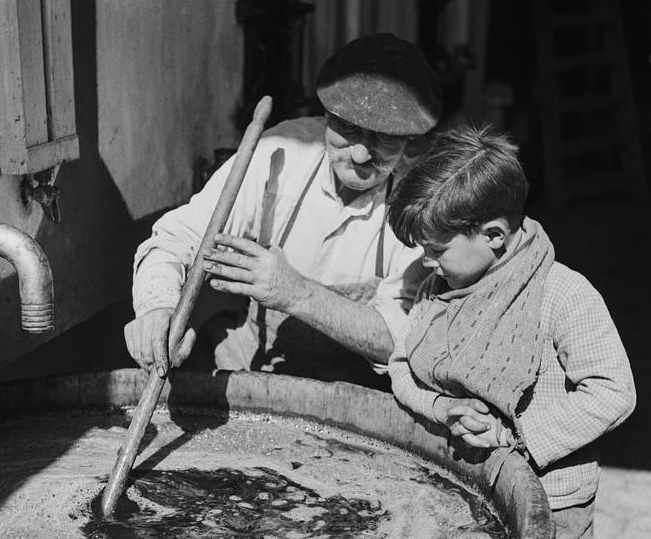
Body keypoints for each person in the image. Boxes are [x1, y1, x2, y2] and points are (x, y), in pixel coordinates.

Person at [386, 122, 651, 539]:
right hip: (474, 482)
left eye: (437, 250)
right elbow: (403, 365)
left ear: (494, 234)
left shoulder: (563, 295)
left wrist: (519, 439)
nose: (426, 263)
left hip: (550, 491)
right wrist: (445, 406)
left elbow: (614, 391)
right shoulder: (434, 285)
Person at [125, 33, 442, 388]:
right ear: (327, 115)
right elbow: (176, 238)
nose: (360, 155)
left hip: (356, 391)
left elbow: (400, 339)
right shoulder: (281, 152)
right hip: (255, 361)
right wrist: (157, 307)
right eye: (349, 129)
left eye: (384, 138)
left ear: (410, 140)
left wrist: (295, 293)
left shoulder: (422, 199)